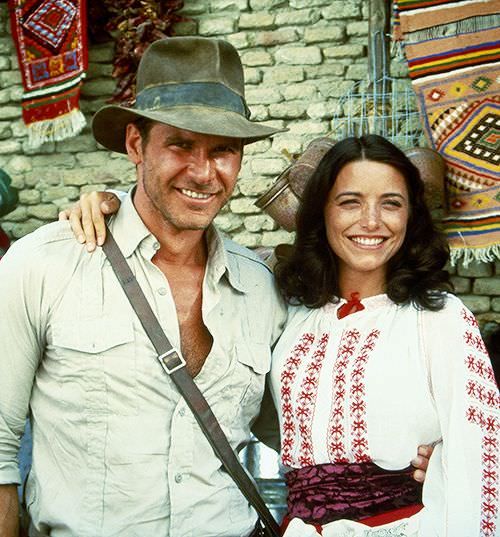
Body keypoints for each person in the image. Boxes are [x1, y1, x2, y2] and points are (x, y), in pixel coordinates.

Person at [0, 36, 288, 537]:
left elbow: (300, 431)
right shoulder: (43, 266)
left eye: (223, 150)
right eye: (180, 144)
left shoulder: (260, 289)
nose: (203, 172)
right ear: (136, 144)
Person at [268, 135, 500, 536]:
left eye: (391, 203)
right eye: (350, 201)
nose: (371, 221)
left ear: (411, 217)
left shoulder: (440, 317)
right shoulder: (292, 317)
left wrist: (442, 462)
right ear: (322, 212)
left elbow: (479, 456)